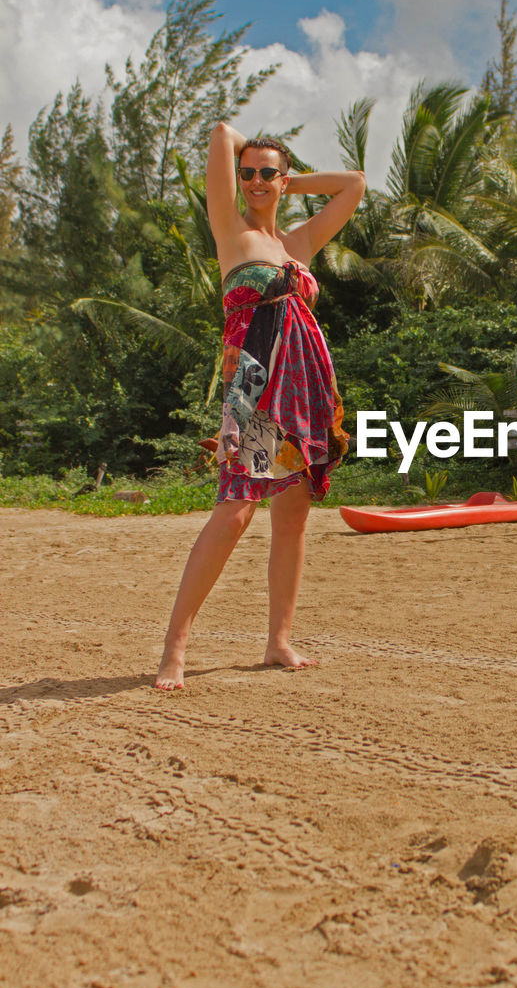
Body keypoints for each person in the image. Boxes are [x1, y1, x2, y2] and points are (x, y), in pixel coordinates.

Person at [154, 123, 365, 690]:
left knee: (293, 517)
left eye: (266, 172)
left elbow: (353, 184)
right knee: (236, 513)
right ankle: (175, 648)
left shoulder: (296, 246)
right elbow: (222, 132)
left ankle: (278, 642)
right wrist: (255, 165)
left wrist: (285, 183)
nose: (253, 181)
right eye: (246, 173)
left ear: (284, 176)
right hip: (253, 383)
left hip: (305, 387)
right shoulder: (232, 232)